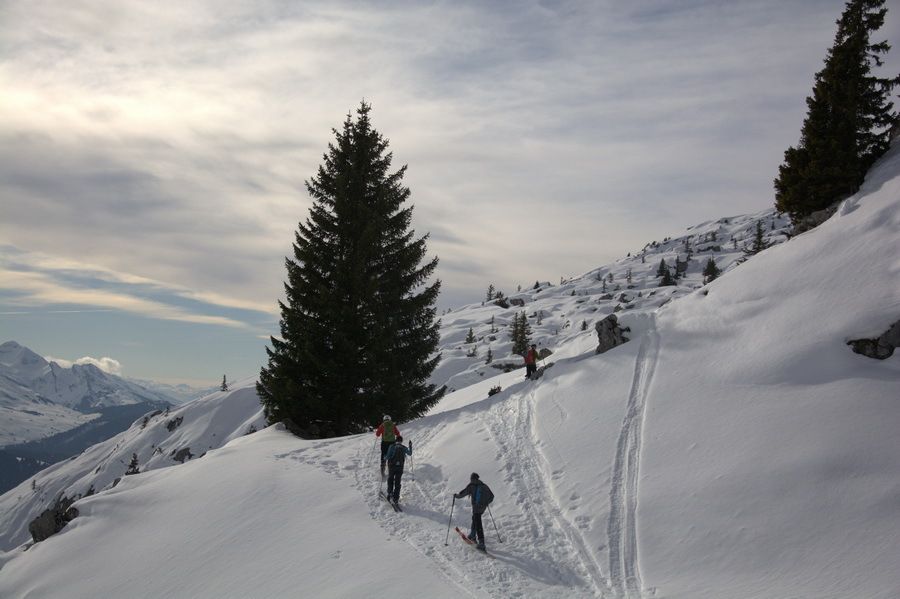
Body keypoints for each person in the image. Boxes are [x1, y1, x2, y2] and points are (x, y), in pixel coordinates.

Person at [453, 472, 494, 551]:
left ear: (472, 478)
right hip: (483, 508)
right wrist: (486, 503)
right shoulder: (484, 486)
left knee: (478, 523)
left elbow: (462, 494)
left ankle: (481, 542)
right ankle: (472, 535)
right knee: (474, 519)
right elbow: (492, 496)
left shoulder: (471, 486)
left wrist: (456, 496)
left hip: (476, 508)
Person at [385, 435, 412, 503]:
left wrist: (384, 457)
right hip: (400, 467)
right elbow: (410, 453)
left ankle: (390, 493)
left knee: (390, 479)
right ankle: (396, 498)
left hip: (392, 466)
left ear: (396, 440)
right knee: (398, 482)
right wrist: (410, 446)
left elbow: (388, 456)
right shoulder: (403, 447)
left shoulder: (392, 446)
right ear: (401, 441)